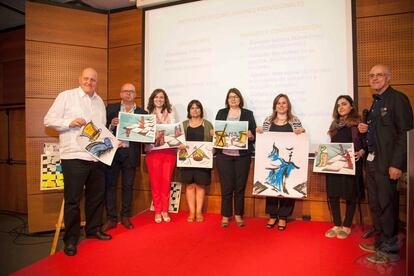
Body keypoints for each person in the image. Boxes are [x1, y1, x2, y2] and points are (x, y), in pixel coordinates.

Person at [44, 68, 111, 257]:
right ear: (79, 79)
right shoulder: (66, 96)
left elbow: (100, 130)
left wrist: (113, 144)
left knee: (96, 197)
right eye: (86, 79)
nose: (89, 82)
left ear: (96, 82)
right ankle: (71, 240)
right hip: (73, 156)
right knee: (72, 200)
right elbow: (48, 120)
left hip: (97, 157)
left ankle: (93, 230)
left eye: (93, 80)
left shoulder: (99, 102)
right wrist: (70, 122)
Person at [358, 64, 413, 264]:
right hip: (373, 161)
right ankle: (380, 242)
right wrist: (366, 129)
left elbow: (405, 134)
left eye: (379, 75)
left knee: (388, 205)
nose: (375, 78)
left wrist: (397, 164)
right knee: (376, 204)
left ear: (388, 78)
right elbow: (381, 131)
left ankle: (390, 250)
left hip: (388, 163)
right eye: (371, 75)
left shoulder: (398, 99)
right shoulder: (376, 102)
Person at [102, 83, 147, 232]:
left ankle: (125, 217)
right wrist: (111, 125)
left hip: (130, 153)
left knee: (128, 187)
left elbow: (145, 136)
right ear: (121, 93)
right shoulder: (110, 109)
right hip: (113, 152)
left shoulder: (142, 113)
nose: (128, 94)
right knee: (110, 186)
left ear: (135, 95)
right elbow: (103, 130)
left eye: (131, 92)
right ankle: (111, 219)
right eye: (126, 91)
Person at [256, 94, 305, 231]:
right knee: (271, 184)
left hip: (289, 161)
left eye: (284, 103)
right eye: (278, 103)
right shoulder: (268, 120)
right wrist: (259, 131)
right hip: (272, 161)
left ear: (288, 105)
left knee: (286, 185)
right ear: (275, 106)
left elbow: (301, 136)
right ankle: (272, 215)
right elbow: (263, 137)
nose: (281, 105)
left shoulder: (294, 120)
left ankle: (283, 216)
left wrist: (302, 131)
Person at [324, 95, 365, 239]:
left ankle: (346, 226)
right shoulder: (334, 125)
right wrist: (322, 153)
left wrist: (361, 151)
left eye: (344, 104)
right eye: (338, 105)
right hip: (335, 164)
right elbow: (332, 146)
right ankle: (336, 224)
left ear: (351, 106)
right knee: (333, 193)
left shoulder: (358, 124)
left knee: (350, 194)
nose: (340, 107)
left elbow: (366, 143)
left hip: (351, 164)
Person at [214, 88, 256, 227]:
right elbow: (217, 133)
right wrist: (214, 133)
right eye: (231, 97)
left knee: (240, 187)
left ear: (240, 99)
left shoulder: (248, 114)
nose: (233, 99)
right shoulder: (221, 113)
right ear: (227, 100)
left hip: (242, 156)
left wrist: (251, 135)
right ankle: (226, 216)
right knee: (226, 187)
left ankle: (238, 215)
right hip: (224, 155)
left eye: (236, 97)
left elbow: (254, 135)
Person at [179, 100, 213, 223]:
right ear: (188, 111)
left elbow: (214, 142)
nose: (195, 110)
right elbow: (177, 140)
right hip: (186, 161)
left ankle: (198, 212)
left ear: (201, 110)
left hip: (202, 161)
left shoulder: (208, 125)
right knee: (189, 186)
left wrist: (212, 149)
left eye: (197, 108)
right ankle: (191, 212)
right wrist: (179, 145)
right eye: (192, 108)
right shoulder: (183, 125)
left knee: (200, 185)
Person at [146, 88, 177, 223]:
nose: (159, 99)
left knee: (166, 182)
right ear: (153, 99)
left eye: (162, 97)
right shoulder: (147, 114)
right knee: (155, 182)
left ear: (165, 100)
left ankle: (165, 210)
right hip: (153, 152)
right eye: (157, 97)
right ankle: (157, 210)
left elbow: (176, 130)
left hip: (169, 152)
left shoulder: (171, 113)